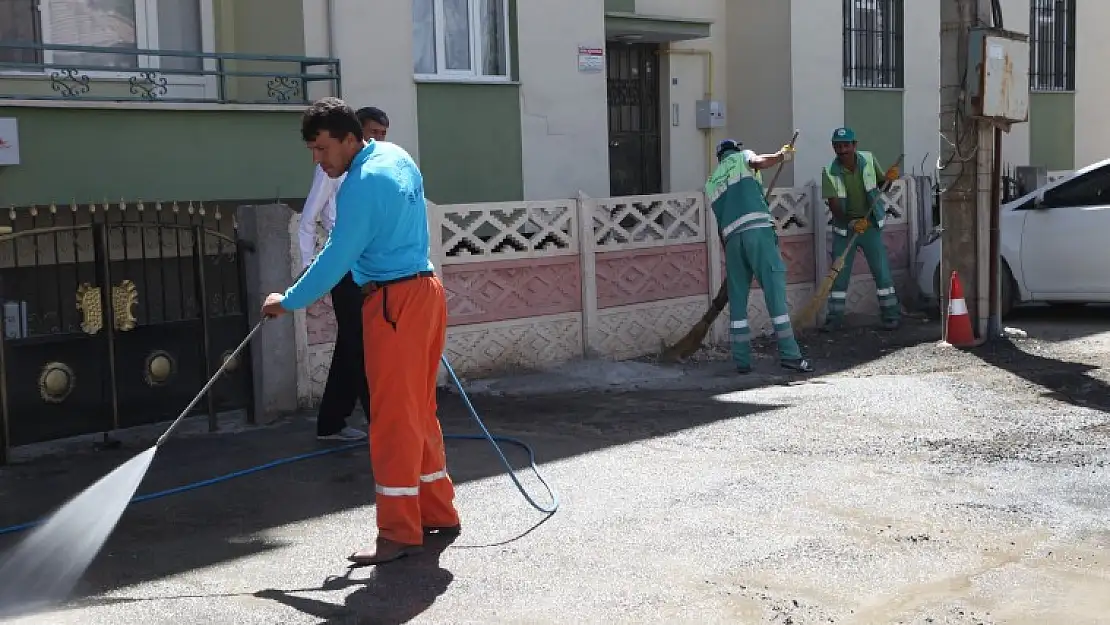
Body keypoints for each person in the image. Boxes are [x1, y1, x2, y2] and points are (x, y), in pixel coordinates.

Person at [263, 97, 460, 565]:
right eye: (312, 150)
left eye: (323, 148)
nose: (318, 159)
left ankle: (397, 533)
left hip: (393, 303)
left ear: (351, 139)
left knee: (392, 420)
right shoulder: (397, 157)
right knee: (418, 411)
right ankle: (438, 510)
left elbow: (337, 256)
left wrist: (287, 301)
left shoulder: (361, 184)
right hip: (425, 293)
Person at [298, 107, 392, 442]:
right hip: (345, 268)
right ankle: (379, 423)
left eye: (383, 134)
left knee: (352, 344)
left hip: (367, 267)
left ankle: (331, 422)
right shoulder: (332, 170)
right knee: (363, 345)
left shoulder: (374, 170)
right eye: (372, 133)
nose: (377, 140)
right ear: (353, 136)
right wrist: (310, 271)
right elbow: (308, 220)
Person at [706, 139, 814, 375]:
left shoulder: (712, 182)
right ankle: (790, 355)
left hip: (732, 239)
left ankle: (742, 360)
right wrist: (780, 156)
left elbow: (721, 220)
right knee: (774, 291)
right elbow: (758, 161)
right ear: (733, 151)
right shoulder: (741, 157)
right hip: (757, 232)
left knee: (737, 299)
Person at [819, 127, 901, 332]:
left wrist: (889, 178)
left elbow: (882, 186)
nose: (842, 150)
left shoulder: (869, 160)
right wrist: (850, 223)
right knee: (839, 275)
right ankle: (834, 319)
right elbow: (834, 206)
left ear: (854, 145)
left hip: (870, 225)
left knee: (881, 272)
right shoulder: (829, 171)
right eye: (838, 146)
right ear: (834, 148)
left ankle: (891, 315)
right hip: (845, 230)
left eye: (846, 145)